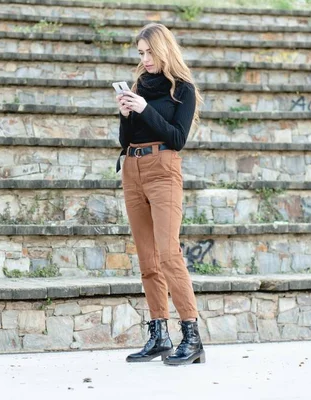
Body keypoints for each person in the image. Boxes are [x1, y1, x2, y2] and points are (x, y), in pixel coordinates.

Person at [116, 23, 205, 366]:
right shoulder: (139, 86)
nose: (145, 59)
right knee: (147, 259)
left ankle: (191, 335)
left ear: (164, 49)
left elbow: (178, 137)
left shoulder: (183, 90)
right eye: (140, 53)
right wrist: (127, 114)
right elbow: (125, 140)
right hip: (133, 169)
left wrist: (144, 109)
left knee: (168, 254)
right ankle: (158, 335)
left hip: (163, 170)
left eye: (150, 52)